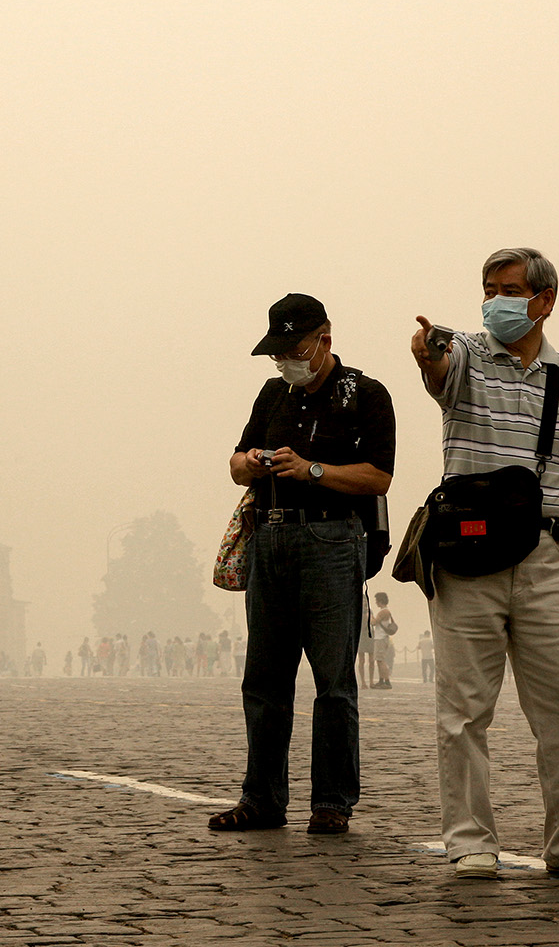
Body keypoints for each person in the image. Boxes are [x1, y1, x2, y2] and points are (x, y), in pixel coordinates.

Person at [409, 248, 559, 879]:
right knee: (464, 709)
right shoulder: (467, 359)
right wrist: (428, 355)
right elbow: (436, 371)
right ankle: (470, 840)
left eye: (509, 289)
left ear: (545, 301)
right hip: (467, 556)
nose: (496, 300)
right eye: (488, 288)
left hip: (545, 557)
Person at [211, 293, 394, 837]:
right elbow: (236, 464)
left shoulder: (364, 394)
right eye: (277, 354)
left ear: (324, 341)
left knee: (333, 680)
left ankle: (332, 801)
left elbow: (378, 478)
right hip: (271, 536)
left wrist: (312, 470)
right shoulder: (273, 395)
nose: (285, 362)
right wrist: (252, 463)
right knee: (264, 678)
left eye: (294, 350)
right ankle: (261, 799)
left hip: (333, 539)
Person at [370, 593, 397, 690]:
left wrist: (371, 617)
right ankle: (381, 680)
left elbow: (373, 622)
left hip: (381, 638)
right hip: (382, 638)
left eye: (377, 600)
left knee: (381, 660)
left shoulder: (383, 612)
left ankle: (387, 681)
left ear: (380, 601)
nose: (376, 602)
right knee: (379, 660)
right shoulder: (386, 611)